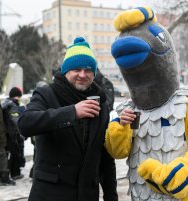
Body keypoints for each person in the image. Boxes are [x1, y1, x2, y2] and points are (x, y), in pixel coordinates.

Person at [105, 7, 188, 201]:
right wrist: (120, 127)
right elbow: (117, 152)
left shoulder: (186, 104)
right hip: (141, 195)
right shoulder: (127, 111)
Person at [18, 37, 118, 201]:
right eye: (76, 70)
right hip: (50, 194)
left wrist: (111, 196)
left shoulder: (100, 102)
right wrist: (72, 112)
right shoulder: (47, 94)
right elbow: (25, 124)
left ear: (94, 73)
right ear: (66, 72)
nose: (82, 75)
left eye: (87, 70)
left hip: (87, 195)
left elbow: (105, 157)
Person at [2, 87, 24, 180]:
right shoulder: (13, 106)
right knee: (14, 153)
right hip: (12, 134)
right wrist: (21, 130)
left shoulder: (6, 103)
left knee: (10, 153)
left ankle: (10, 172)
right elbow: (16, 121)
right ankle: (15, 173)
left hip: (7, 132)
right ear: (17, 96)